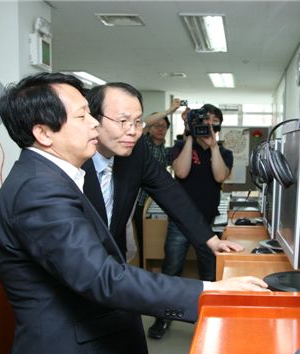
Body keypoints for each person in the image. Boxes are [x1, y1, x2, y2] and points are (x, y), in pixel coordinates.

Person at [0, 72, 268, 354]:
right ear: (44, 133)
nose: (94, 124)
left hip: (106, 322)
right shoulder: (40, 190)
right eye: (83, 115)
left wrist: (208, 240)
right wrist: (209, 291)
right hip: (73, 347)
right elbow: (100, 277)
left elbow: (168, 191)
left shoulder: (56, 177)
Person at [81, 83, 243, 263]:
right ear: (92, 119)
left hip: (113, 261)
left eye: (137, 122)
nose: (133, 131)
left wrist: (211, 240)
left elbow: (169, 191)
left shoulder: (136, 151)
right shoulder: (70, 158)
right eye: (123, 121)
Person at [149, 104, 231, 339]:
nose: (207, 126)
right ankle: (162, 318)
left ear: (218, 125)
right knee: (171, 269)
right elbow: (181, 173)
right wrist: (188, 138)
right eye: (204, 122)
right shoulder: (180, 146)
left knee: (208, 273)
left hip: (208, 223)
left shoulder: (223, 152)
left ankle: (209, 319)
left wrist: (213, 146)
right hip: (180, 221)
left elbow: (219, 176)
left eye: (212, 122)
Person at [133, 112, 173, 267]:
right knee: (141, 238)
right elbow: (143, 124)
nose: (160, 129)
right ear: (150, 128)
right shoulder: (142, 143)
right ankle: (142, 266)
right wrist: (170, 110)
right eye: (156, 125)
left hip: (156, 202)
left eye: (164, 126)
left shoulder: (166, 151)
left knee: (155, 236)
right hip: (139, 200)